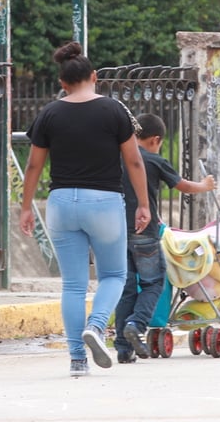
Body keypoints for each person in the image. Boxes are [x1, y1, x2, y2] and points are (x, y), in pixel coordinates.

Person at [19, 41, 151, 377]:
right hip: (104, 202)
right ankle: (96, 326)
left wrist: (25, 207)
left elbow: (33, 166)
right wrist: (144, 204)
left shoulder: (49, 113)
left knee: (73, 285)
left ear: (62, 83)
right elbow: (134, 160)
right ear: (94, 77)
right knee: (114, 275)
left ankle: (77, 359)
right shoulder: (113, 110)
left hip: (61, 203)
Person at [114, 113, 216, 362]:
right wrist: (205, 185)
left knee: (126, 288)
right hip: (144, 232)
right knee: (154, 282)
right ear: (155, 139)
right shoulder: (154, 160)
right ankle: (136, 325)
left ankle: (123, 349)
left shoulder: (116, 159)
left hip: (115, 233)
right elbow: (183, 186)